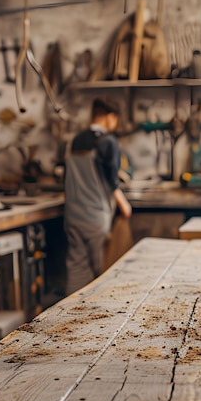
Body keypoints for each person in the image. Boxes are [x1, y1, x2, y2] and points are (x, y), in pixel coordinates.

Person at [64, 97, 132, 294]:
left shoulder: (76, 140)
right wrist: (124, 205)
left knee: (76, 267)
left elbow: (81, 172)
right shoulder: (108, 142)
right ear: (110, 117)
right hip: (95, 216)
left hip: (73, 216)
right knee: (101, 273)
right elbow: (111, 179)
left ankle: (70, 317)